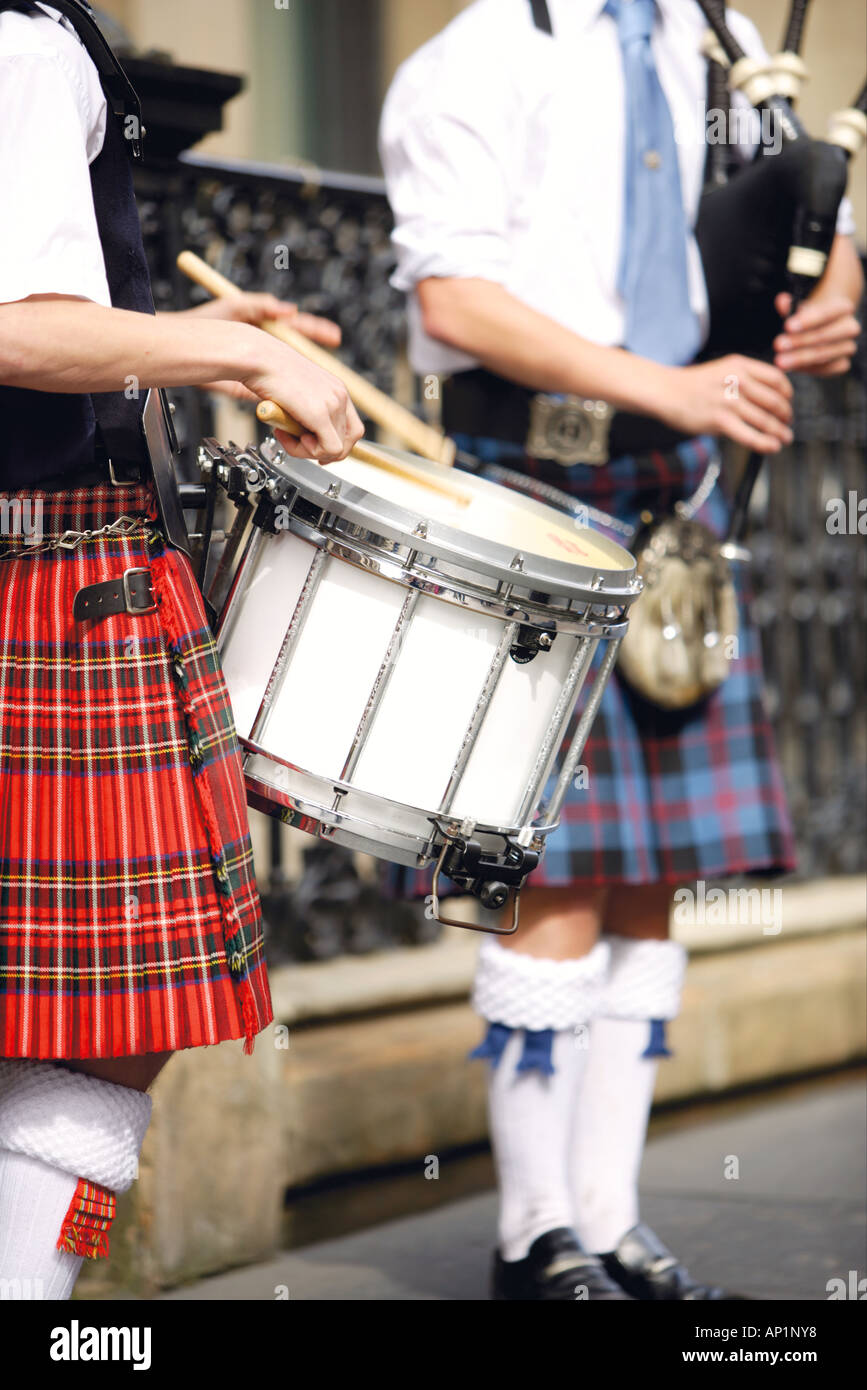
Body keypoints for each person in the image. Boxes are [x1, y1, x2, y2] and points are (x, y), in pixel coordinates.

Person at [380, 0, 862, 1300]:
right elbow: (453, 298)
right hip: (529, 473)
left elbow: (802, 206)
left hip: (676, 489)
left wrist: (833, 291)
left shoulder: (708, 38)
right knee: (547, 874)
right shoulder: (479, 58)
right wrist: (670, 386)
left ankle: (613, 1221)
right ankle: (534, 1236)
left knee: (657, 880)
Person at [0, 0, 362, 1300]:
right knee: (111, 1031)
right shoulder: (22, 41)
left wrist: (166, 318)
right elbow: (12, 324)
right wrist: (222, 343)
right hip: (53, 570)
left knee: (66, 1020)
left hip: (54, 562)